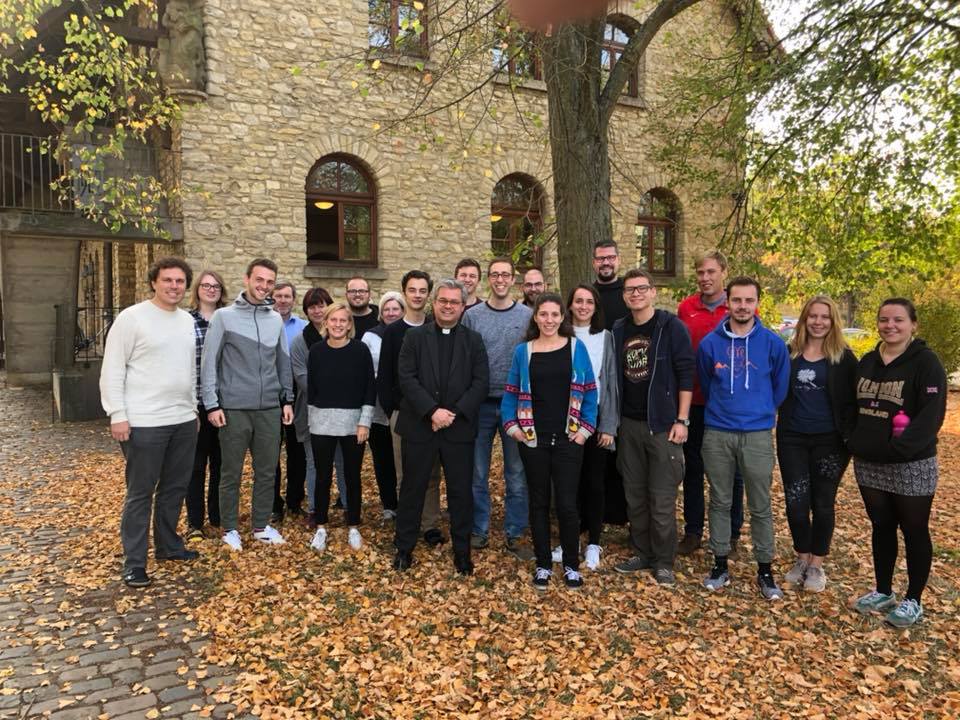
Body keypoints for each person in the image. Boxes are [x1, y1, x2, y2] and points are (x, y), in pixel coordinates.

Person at [99, 257, 199, 587]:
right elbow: (112, 369)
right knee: (141, 492)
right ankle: (134, 562)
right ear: (154, 282)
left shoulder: (186, 320)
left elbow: (188, 370)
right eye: (168, 280)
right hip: (143, 422)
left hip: (183, 420)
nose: (174, 286)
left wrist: (193, 411)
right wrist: (118, 414)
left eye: (180, 281)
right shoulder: (132, 319)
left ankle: (169, 546)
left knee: (174, 488)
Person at [848, 298, 946, 627]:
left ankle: (913, 599)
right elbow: (850, 405)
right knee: (882, 527)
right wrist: (854, 440)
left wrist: (900, 449)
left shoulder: (926, 363)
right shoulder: (867, 362)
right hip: (869, 462)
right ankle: (883, 590)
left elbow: (931, 415)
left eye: (899, 320)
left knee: (914, 529)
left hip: (911, 464)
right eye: (884, 319)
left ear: (912, 325)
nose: (890, 326)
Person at [697, 276, 789, 600]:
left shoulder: (773, 344)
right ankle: (720, 563)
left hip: (758, 434)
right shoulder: (710, 344)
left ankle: (765, 570)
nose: (742, 306)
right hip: (718, 432)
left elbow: (779, 389)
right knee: (720, 500)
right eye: (737, 300)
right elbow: (708, 386)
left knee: (761, 505)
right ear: (728, 302)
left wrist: (759, 412)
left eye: (749, 300)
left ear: (757, 304)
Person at [502, 293, 599, 590]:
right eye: (543, 314)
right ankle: (543, 563)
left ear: (562, 318)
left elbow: (591, 392)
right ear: (535, 317)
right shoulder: (524, 352)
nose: (549, 320)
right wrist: (513, 427)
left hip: (569, 438)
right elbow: (510, 393)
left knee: (568, 504)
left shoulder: (575, 348)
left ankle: (571, 564)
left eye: (554, 315)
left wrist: (585, 430)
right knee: (539, 502)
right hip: (533, 439)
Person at [393, 280, 489, 574]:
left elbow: (480, 382)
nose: (448, 306)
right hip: (420, 426)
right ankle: (404, 548)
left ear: (463, 306)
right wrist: (432, 412)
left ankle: (462, 552)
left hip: (458, 429)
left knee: (460, 492)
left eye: (454, 302)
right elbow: (406, 377)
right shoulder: (414, 337)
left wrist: (453, 414)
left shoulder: (473, 340)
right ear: (434, 303)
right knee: (413, 489)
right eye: (443, 301)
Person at [200, 258, 294, 551]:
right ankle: (229, 528)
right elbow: (209, 363)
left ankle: (261, 525)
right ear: (247, 279)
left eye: (269, 282)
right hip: (233, 409)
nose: (264, 286)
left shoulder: (274, 319)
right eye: (259, 280)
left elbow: (283, 362)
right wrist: (212, 404)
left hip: (268, 408)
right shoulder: (224, 317)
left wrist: (287, 399)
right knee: (231, 471)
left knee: (268, 470)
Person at [606, 271, 694, 585]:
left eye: (642, 288)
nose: (636, 294)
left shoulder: (671, 328)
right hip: (628, 425)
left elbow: (686, 374)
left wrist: (682, 420)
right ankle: (642, 552)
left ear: (653, 292)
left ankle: (664, 560)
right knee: (635, 495)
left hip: (663, 426)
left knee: (662, 498)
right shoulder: (618, 330)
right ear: (624, 295)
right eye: (630, 290)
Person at [777, 295, 858, 592]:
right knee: (796, 503)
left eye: (825, 317)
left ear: (833, 321)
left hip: (831, 441)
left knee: (823, 503)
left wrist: (852, 436)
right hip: (792, 438)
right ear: (804, 319)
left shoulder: (844, 358)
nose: (818, 322)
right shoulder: (790, 353)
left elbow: (855, 401)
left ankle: (816, 567)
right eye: (813, 316)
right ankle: (801, 558)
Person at [461, 257, 534, 560]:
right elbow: (463, 359)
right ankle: (479, 528)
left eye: (506, 274)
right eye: (495, 275)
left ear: (513, 279)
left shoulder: (528, 315)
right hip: (480, 403)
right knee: (477, 472)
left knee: (516, 472)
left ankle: (515, 532)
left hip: (515, 404)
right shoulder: (472, 316)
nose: (500, 279)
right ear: (487, 279)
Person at [676, 250, 746, 557]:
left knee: (730, 471)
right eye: (700, 273)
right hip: (693, 401)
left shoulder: (739, 308)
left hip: (728, 404)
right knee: (693, 467)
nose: (705, 278)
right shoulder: (686, 308)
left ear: (723, 273)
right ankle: (693, 531)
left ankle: (731, 533)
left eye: (711, 272)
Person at [377, 270, 446, 546]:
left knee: (431, 472)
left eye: (422, 290)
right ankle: (408, 523)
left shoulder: (437, 326)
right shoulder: (393, 332)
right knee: (405, 473)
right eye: (412, 290)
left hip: (434, 415)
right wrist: (394, 407)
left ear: (428, 294)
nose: (417, 295)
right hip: (403, 414)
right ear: (404, 292)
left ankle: (429, 524)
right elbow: (385, 376)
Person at [306, 303, 376, 552]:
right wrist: (312, 421)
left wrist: (364, 421)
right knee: (323, 476)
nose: (337, 325)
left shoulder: (360, 351)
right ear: (326, 322)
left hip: (353, 424)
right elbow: (311, 389)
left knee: (352, 476)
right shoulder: (316, 351)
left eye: (342, 320)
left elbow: (369, 387)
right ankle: (322, 526)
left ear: (349, 324)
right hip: (321, 422)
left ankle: (353, 525)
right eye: (333, 320)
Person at [561, 284, 618, 570]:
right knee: (568, 483)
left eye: (589, 302)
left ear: (595, 307)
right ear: (569, 305)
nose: (583, 306)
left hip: (595, 419)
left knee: (595, 483)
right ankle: (569, 538)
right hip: (564, 421)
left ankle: (594, 542)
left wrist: (608, 425)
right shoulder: (560, 335)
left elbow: (610, 384)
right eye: (578, 301)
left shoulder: (605, 338)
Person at [185, 270, 228, 542]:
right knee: (196, 465)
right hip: (197, 402)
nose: (210, 290)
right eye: (205, 285)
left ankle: (218, 516)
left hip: (224, 401)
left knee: (222, 464)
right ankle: (195, 522)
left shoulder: (228, 320)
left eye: (215, 286)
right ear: (198, 289)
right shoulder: (186, 321)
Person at [289, 286, 333, 529]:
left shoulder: (340, 332)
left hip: (342, 411)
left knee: (341, 462)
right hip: (310, 409)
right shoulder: (299, 341)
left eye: (321, 304)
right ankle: (316, 509)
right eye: (312, 306)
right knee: (314, 462)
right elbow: (301, 377)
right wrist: (330, 393)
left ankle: (347, 507)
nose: (317, 310)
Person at [360, 291, 405, 520]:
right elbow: (364, 370)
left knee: (404, 458)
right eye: (386, 309)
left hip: (404, 405)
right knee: (383, 457)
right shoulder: (371, 336)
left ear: (403, 310)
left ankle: (406, 501)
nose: (390, 312)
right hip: (378, 406)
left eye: (395, 308)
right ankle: (389, 504)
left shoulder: (412, 333)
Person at [271, 281, 307, 524]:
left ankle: (295, 501)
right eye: (278, 296)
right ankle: (274, 504)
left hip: (296, 392)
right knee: (271, 452)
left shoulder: (303, 328)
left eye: (287, 296)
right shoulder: (263, 324)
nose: (282, 300)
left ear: (293, 300)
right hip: (270, 393)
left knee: (297, 451)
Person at [592, 240, 628, 330]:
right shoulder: (588, 295)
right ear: (593, 263)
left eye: (611, 257)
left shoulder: (630, 291)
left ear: (619, 260)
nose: (606, 263)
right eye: (600, 258)